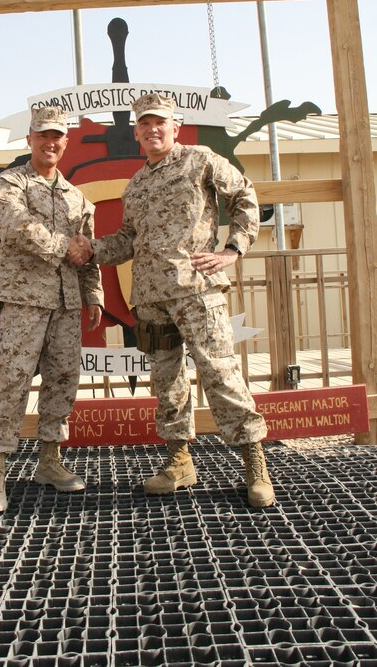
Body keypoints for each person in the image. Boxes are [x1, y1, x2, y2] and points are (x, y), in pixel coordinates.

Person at [69, 92, 274, 508]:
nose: (152, 129)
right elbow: (128, 240)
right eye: (144, 124)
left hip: (196, 292)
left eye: (159, 122)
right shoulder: (137, 184)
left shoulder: (200, 160)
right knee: (168, 383)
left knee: (219, 374)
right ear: (137, 132)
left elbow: (245, 198)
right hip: (149, 300)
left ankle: (255, 464)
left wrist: (232, 250)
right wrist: (92, 249)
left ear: (174, 127)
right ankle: (179, 463)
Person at [0, 105, 104, 513]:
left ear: (65, 142)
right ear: (30, 139)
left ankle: (49, 461)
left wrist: (93, 295)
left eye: (57, 136)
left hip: (67, 302)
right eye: (42, 135)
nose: (50, 143)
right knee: (13, 379)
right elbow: (15, 226)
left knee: (63, 379)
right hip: (24, 299)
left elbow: (87, 249)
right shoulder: (10, 182)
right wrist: (60, 245)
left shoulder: (77, 197)